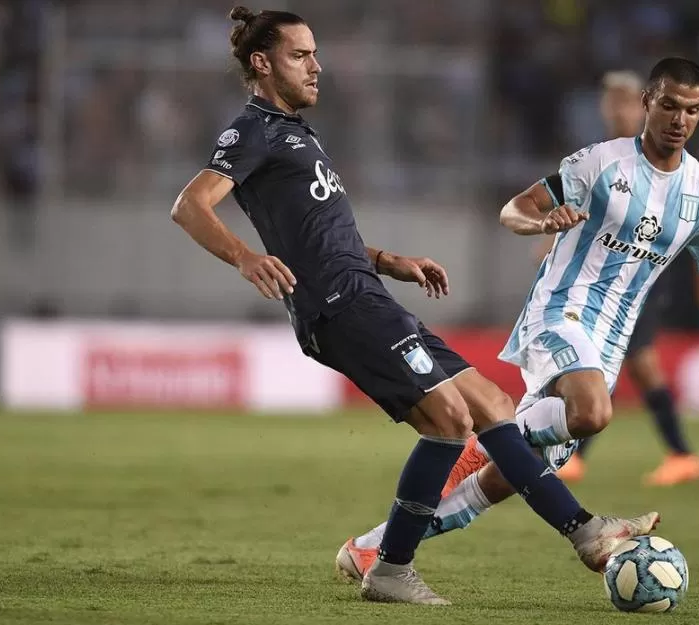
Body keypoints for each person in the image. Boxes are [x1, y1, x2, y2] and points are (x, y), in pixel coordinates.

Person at [171, 7, 658, 606]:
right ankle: (397, 566)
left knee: (493, 404)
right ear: (261, 63)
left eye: (315, 52)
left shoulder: (298, 132)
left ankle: (585, 534)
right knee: (450, 423)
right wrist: (246, 259)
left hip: (367, 292)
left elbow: (319, 234)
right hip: (339, 308)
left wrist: (387, 259)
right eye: (301, 55)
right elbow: (190, 206)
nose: (317, 66)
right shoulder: (253, 132)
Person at [336, 57, 699, 579]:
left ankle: (371, 548)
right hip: (559, 312)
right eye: (669, 105)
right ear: (647, 104)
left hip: (611, 343)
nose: (680, 119)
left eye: (693, 110)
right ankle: (491, 433)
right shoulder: (601, 163)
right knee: (592, 413)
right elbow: (513, 209)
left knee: (504, 478)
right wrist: (542, 220)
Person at [543, 70, 699, 486]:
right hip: (596, 283)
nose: (614, 108)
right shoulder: (601, 156)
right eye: (609, 101)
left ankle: (578, 455)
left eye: (622, 100)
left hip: (634, 283)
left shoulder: (661, 158)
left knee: (618, 363)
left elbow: (694, 219)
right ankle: (680, 453)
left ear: (642, 107)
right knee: (635, 367)